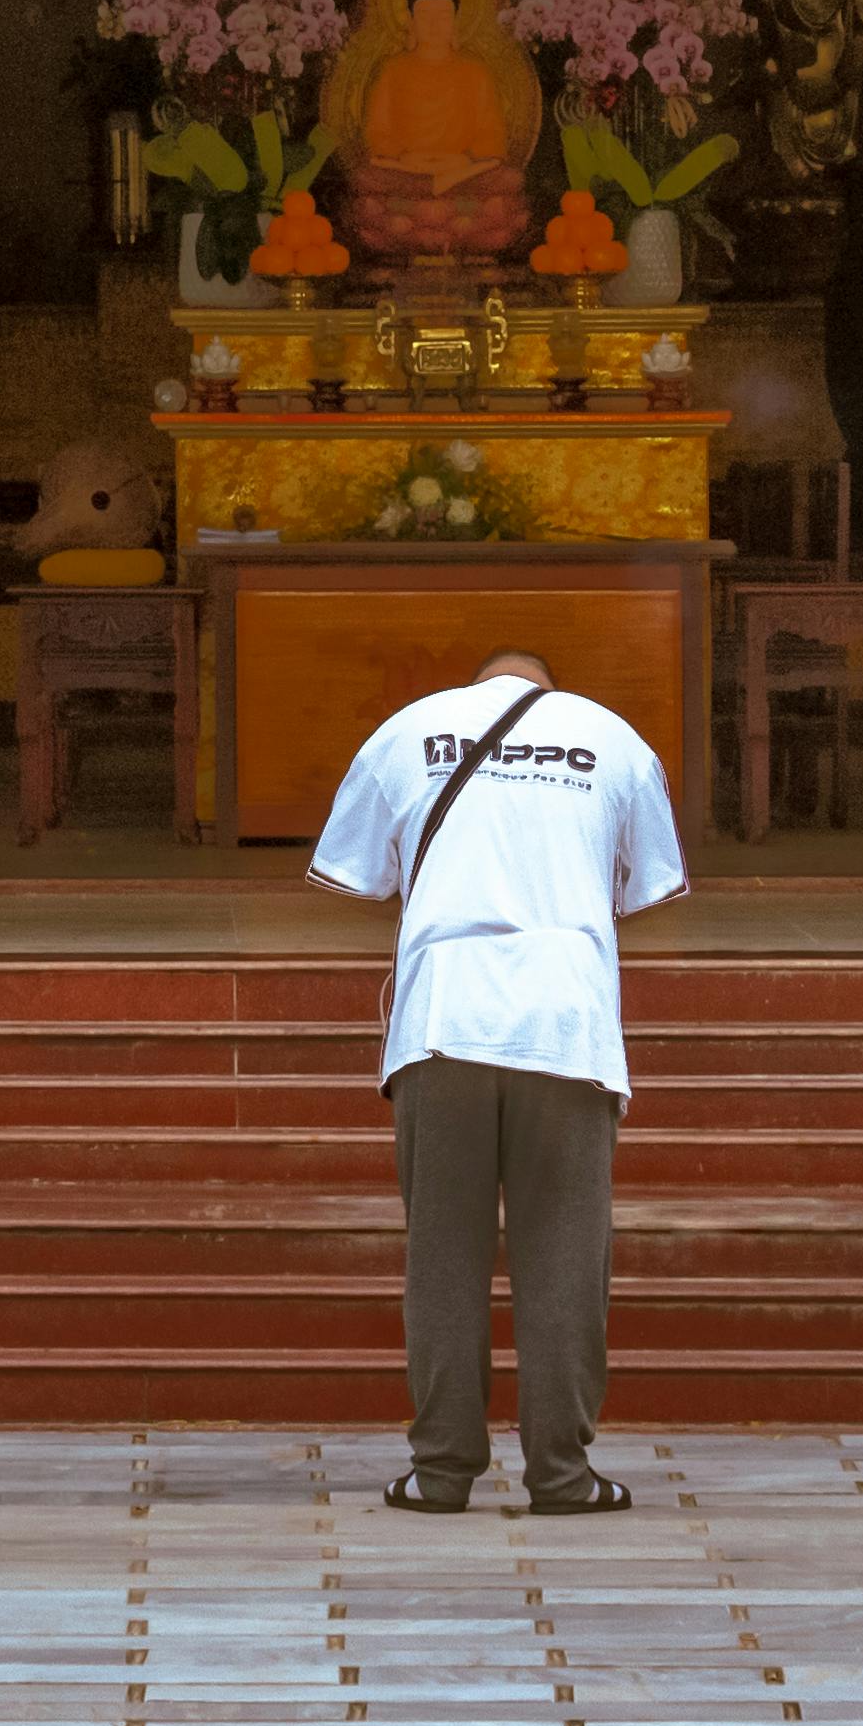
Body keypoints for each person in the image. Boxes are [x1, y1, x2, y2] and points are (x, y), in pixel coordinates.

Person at [305, 647, 688, 1516]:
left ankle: (441, 1474)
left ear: (475, 686)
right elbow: (643, 887)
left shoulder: (406, 733)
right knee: (564, 1261)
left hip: (444, 1021)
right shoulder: (613, 740)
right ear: (547, 686)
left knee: (443, 1258)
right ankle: (562, 1475)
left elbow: (358, 875)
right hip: (566, 1024)